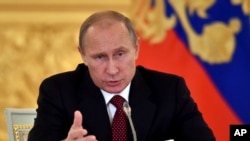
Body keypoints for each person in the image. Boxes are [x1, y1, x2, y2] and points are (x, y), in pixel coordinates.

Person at [28, 10, 215, 141]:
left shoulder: (169, 90)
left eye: (120, 54)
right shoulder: (58, 92)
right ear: (83, 55)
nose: (112, 69)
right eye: (100, 57)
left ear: (136, 49)